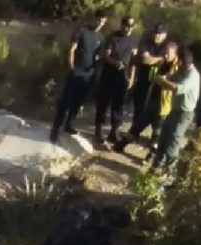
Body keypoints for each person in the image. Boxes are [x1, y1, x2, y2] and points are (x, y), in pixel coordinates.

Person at [50, 10, 109, 143]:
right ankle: (56, 128)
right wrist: (71, 66)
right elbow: (72, 49)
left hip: (89, 74)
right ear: (94, 19)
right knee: (65, 101)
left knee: (78, 101)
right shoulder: (81, 31)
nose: (100, 24)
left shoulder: (101, 37)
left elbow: (100, 55)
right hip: (77, 70)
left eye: (103, 22)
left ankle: (69, 124)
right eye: (98, 20)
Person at [113, 41, 180, 156]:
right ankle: (122, 144)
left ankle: (152, 155)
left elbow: (174, 85)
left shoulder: (177, 68)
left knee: (157, 132)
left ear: (175, 54)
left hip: (164, 104)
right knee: (139, 124)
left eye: (168, 54)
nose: (165, 55)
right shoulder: (161, 62)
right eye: (164, 53)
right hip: (153, 99)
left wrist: (162, 80)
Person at [151, 46, 201, 171]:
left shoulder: (192, 75)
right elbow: (169, 78)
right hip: (174, 110)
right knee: (163, 137)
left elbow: (178, 88)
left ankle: (169, 170)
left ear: (182, 61)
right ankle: (156, 166)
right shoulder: (181, 71)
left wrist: (163, 81)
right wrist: (162, 79)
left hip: (184, 114)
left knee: (174, 141)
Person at [94, 15, 140, 146]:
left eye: (130, 26)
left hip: (123, 77)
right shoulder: (113, 37)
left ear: (133, 26)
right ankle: (99, 129)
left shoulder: (135, 40)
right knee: (103, 102)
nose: (128, 28)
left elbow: (134, 60)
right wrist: (115, 62)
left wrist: (132, 77)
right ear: (122, 25)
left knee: (118, 105)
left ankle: (114, 131)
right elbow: (105, 55)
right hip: (109, 75)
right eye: (126, 25)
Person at [130, 23, 169, 129]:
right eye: (155, 33)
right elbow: (145, 60)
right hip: (143, 80)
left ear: (164, 35)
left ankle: (155, 133)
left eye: (159, 34)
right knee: (139, 106)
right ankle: (134, 130)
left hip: (158, 83)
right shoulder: (146, 44)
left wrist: (155, 59)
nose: (157, 35)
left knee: (156, 108)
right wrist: (159, 59)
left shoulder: (166, 47)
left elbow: (166, 60)